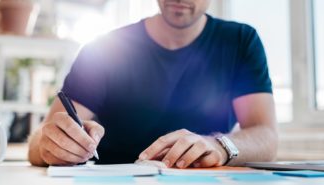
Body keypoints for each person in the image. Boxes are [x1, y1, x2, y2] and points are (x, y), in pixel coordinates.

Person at [28, 0, 278, 168]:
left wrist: (221, 146)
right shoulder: (104, 49)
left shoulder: (240, 41)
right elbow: (40, 141)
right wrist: (50, 146)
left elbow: (266, 137)